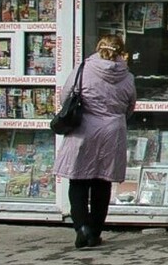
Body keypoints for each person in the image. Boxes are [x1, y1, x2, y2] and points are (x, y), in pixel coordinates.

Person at [52, 35, 137, 248]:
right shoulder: (127, 76)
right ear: (121, 51)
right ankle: (96, 232)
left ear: (98, 47)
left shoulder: (84, 69)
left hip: (83, 131)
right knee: (102, 182)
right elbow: (130, 106)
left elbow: (65, 98)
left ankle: (82, 228)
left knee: (78, 180)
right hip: (112, 132)